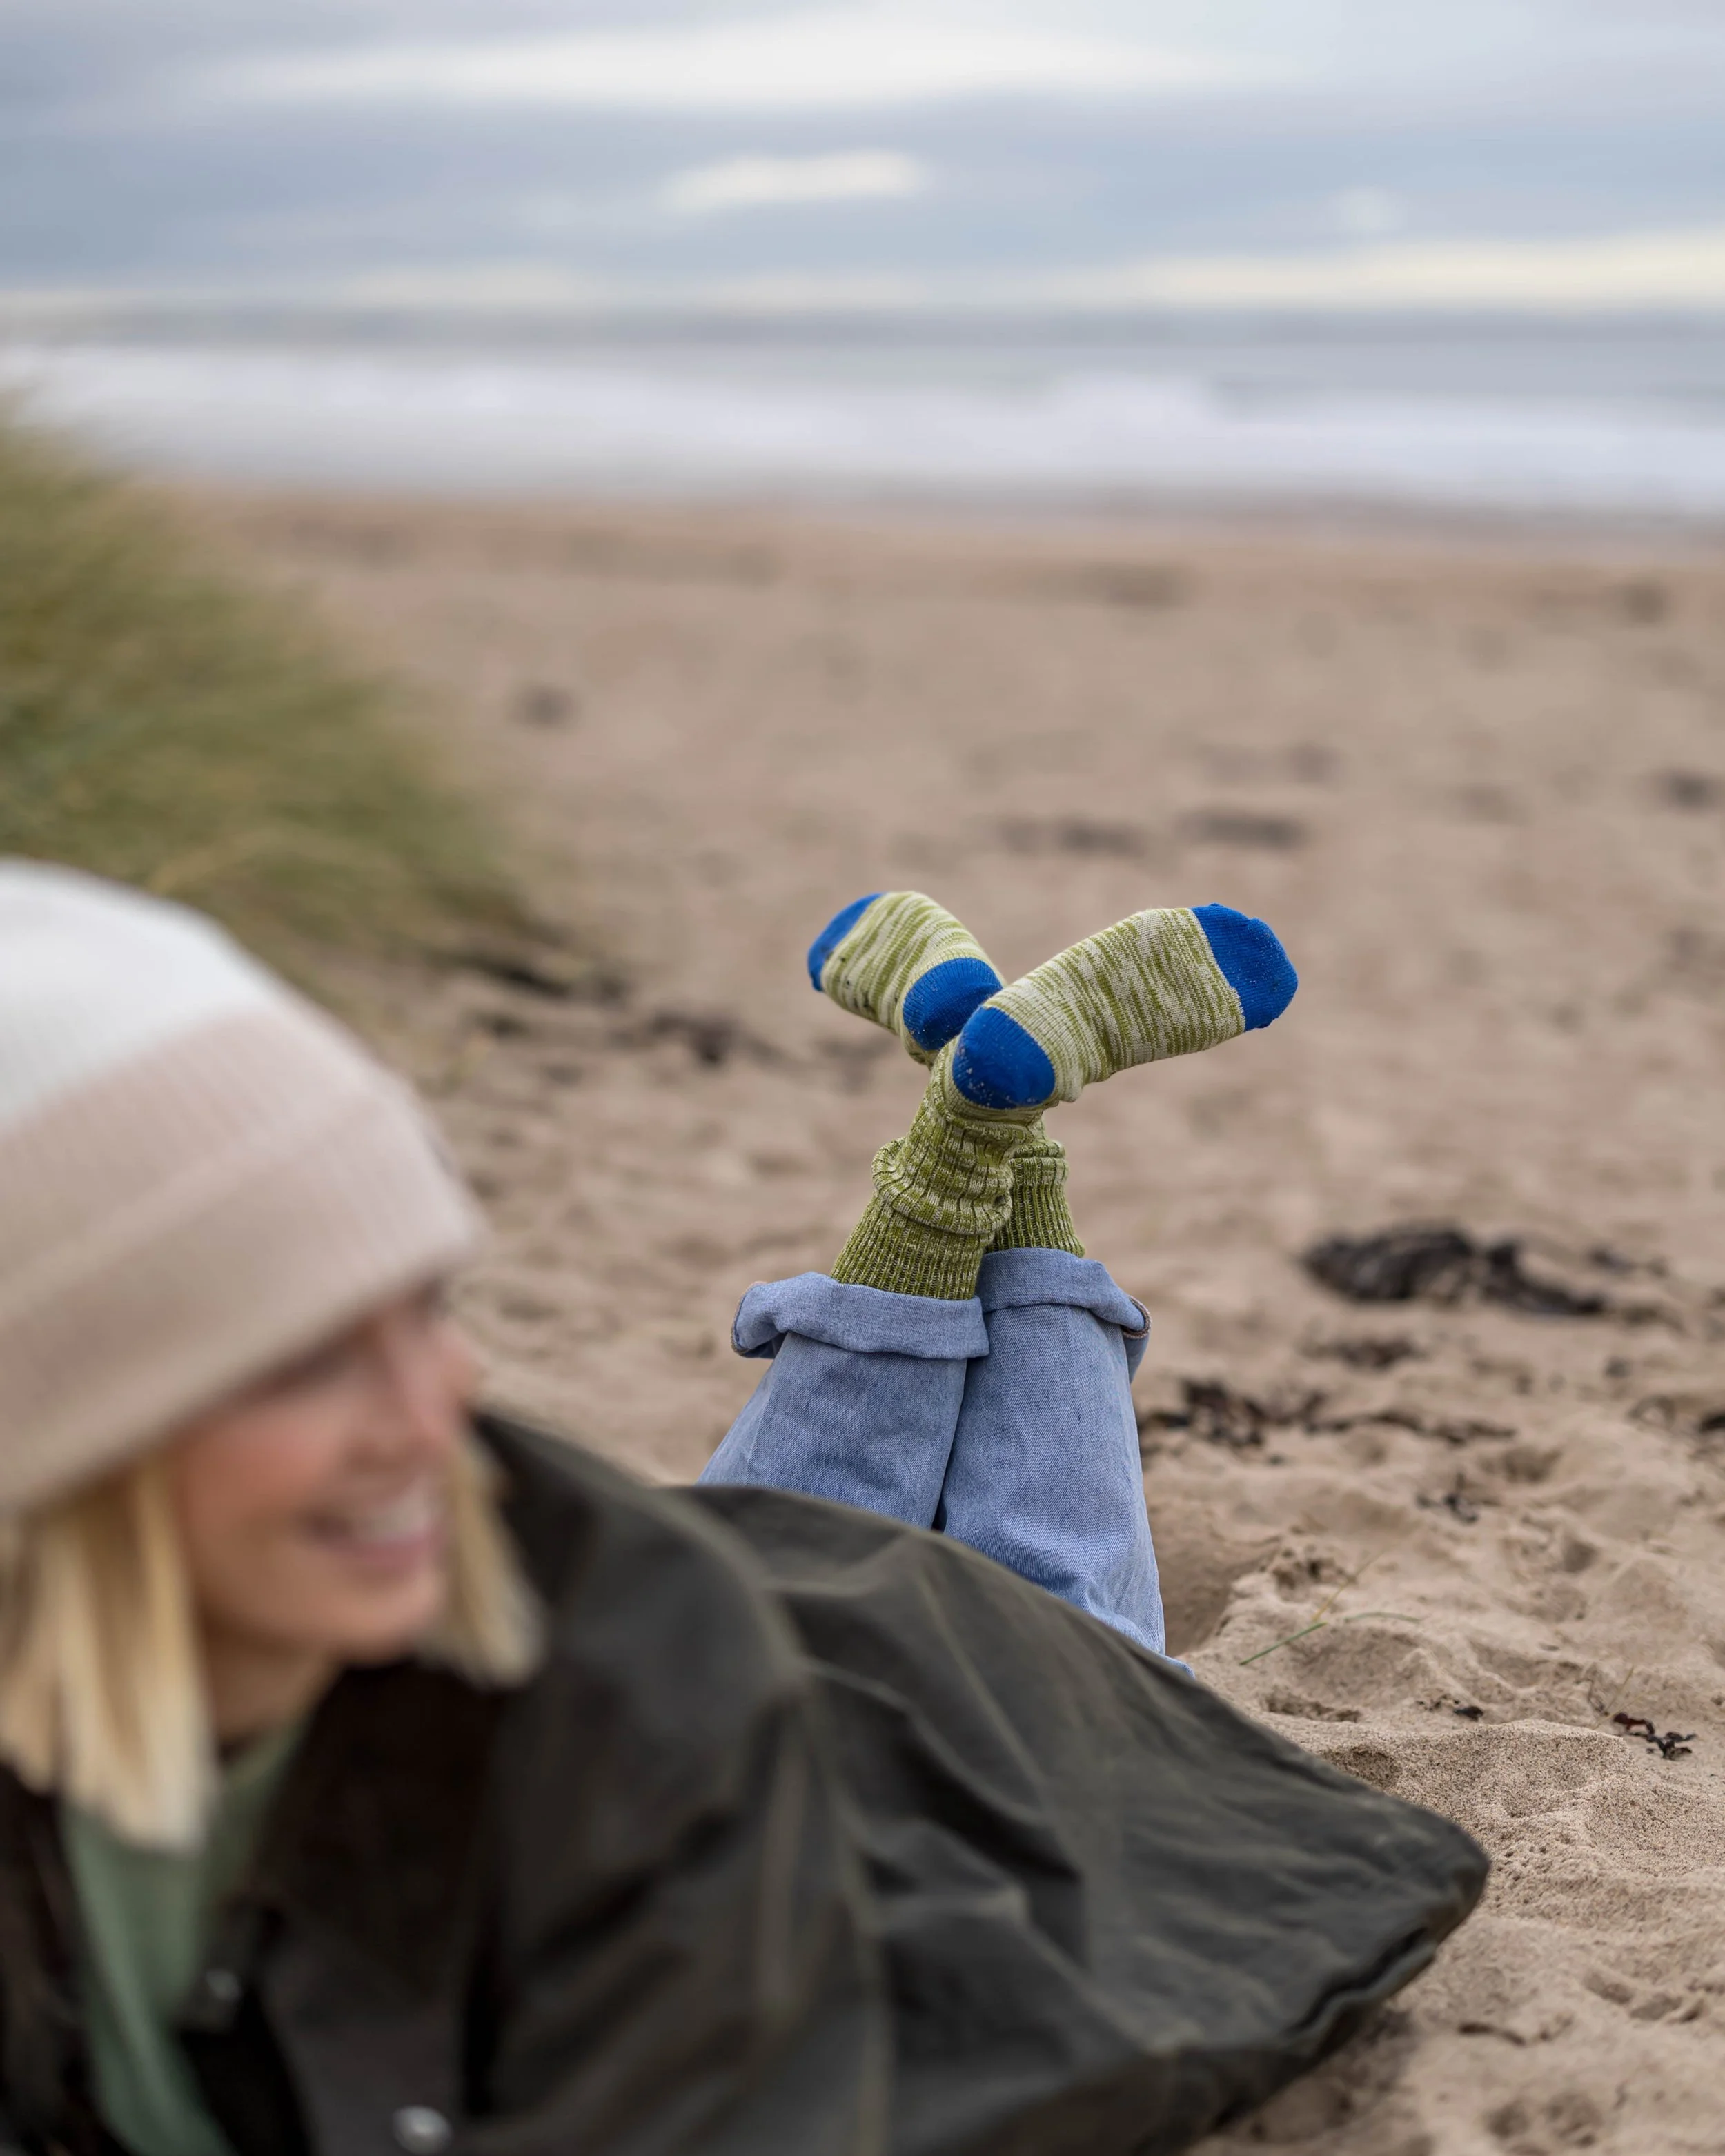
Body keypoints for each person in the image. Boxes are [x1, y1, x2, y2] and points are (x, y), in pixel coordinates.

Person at [0, 862, 1485, 2156]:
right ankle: (991, 1116)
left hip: (964, 1708)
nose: (437, 1404)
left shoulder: (646, 1719)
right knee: (938, 1511)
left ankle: (986, 1126)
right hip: (757, 1579)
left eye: (429, 1304)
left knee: (1064, 1605)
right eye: (313, 1356)